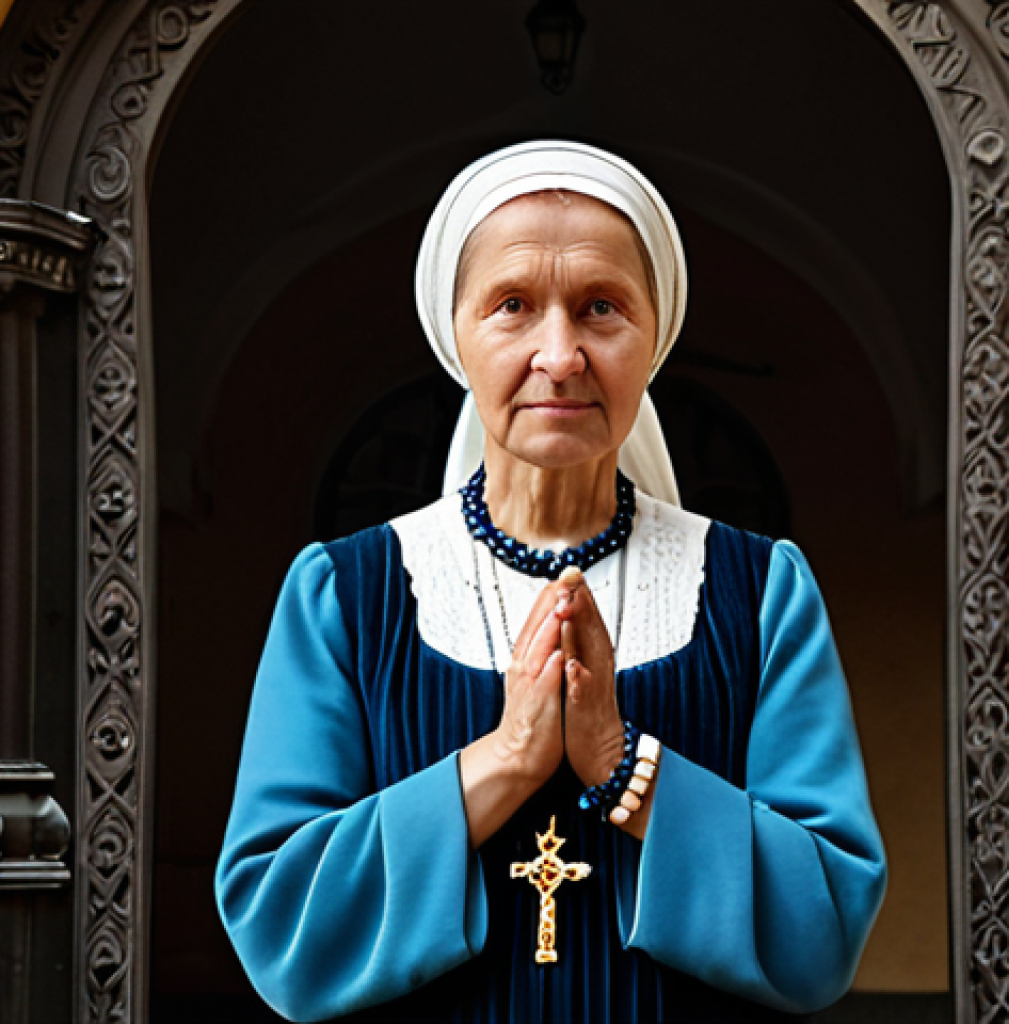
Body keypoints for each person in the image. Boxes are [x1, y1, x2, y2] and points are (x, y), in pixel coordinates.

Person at [215, 140, 887, 1023]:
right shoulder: (343, 595)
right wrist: (507, 760)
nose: (561, 353)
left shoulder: (761, 592)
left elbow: (826, 925)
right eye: (513, 306)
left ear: (655, 338)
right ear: (456, 335)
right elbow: (281, 921)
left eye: (602, 307)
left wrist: (622, 766)